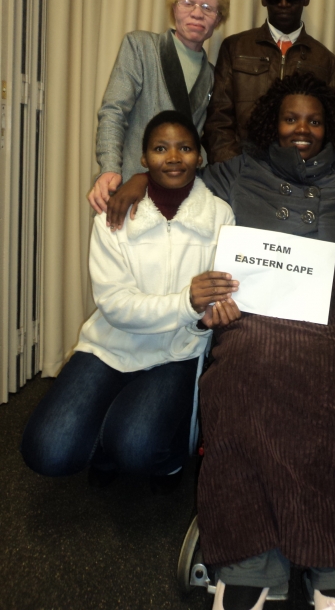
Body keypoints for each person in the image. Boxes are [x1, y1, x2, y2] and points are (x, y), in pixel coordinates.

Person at [105, 73, 335, 608]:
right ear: (273, 125)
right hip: (254, 313)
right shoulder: (240, 172)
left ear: (330, 127)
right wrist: (139, 181)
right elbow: (181, 176)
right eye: (290, 118)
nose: (301, 128)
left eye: (313, 119)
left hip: (333, 318)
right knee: (237, 384)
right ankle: (250, 557)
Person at [22, 111, 238, 494]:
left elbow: (215, 303)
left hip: (175, 353)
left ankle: (161, 453)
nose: (173, 157)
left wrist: (204, 319)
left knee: (135, 446)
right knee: (47, 452)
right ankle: (110, 441)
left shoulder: (221, 216)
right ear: (143, 159)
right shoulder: (115, 214)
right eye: (160, 148)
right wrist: (187, 302)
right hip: (110, 347)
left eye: (185, 148)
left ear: (200, 156)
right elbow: (116, 304)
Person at [87, 0, 230, 214]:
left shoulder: (212, 75)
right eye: (188, 3)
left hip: (182, 198)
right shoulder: (141, 47)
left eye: (208, 8)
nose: (197, 13)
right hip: (130, 190)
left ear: (218, 19)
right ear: (174, 8)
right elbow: (113, 112)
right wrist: (110, 169)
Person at [201, 0, 335, 163]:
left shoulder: (327, 62)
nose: (283, 3)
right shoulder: (235, 48)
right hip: (241, 173)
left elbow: (332, 132)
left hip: (300, 181)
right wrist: (235, 172)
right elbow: (218, 121)